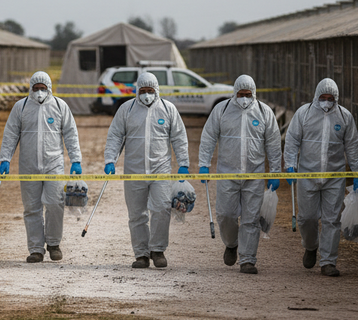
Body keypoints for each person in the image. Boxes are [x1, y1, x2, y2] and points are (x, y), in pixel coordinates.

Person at [104, 72, 189, 269]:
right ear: (137, 91)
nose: (147, 94)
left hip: (161, 171)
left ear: (156, 90)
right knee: (136, 214)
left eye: (150, 91)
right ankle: (141, 254)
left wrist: (183, 162)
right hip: (133, 171)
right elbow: (115, 135)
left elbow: (179, 137)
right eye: (143, 91)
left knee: (161, 209)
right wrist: (110, 159)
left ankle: (157, 250)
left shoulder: (168, 109)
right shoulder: (127, 109)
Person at [198, 75, 282, 274]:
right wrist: (204, 164)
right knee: (225, 215)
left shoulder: (264, 112)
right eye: (241, 94)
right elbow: (209, 136)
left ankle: (248, 259)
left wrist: (275, 171)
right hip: (227, 173)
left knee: (250, 219)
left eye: (248, 94)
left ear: (254, 94)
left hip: (254, 175)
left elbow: (273, 143)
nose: (244, 98)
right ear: (234, 93)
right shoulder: (222, 110)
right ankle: (231, 243)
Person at [284, 78, 358, 277]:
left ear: (336, 99)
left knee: (332, 220)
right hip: (307, 175)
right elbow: (292, 140)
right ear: (316, 96)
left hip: (334, 177)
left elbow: (352, 147)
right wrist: (290, 165)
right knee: (306, 218)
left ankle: (328, 261)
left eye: (330, 98)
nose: (326, 102)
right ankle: (311, 246)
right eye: (323, 98)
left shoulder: (345, 117)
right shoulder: (303, 114)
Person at [0, 71, 82, 263]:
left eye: (42, 89)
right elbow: (10, 134)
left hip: (54, 165)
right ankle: (36, 249)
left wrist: (75, 159)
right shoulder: (21, 107)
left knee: (55, 204)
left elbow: (71, 134)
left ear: (49, 89)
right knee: (31, 208)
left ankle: (53, 244)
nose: (39, 92)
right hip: (28, 166)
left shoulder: (60, 106)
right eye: (35, 89)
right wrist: (5, 158)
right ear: (30, 89)